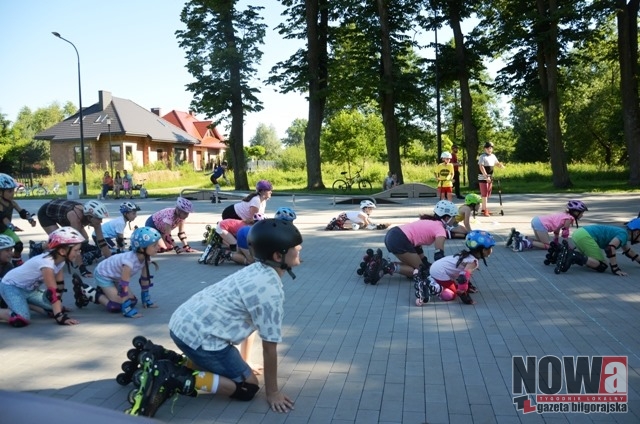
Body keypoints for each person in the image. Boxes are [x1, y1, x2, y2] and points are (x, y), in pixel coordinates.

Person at [126, 219, 302, 417]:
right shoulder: (270, 290)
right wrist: (273, 392)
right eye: (295, 246)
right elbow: (270, 348)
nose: (300, 247)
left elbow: (251, 322)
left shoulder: (256, 269)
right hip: (201, 339)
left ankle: (167, 359)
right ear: (278, 256)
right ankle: (176, 378)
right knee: (248, 387)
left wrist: (245, 362)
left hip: (182, 325)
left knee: (229, 370)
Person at [0, 227, 84, 327]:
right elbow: (53, 291)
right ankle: (19, 304)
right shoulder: (46, 263)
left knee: (55, 308)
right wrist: (60, 317)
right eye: (76, 250)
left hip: (29, 290)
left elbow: (59, 286)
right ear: (62, 251)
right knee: (21, 319)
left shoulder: (60, 261)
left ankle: (24, 302)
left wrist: (57, 309)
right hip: (11, 287)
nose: (79, 253)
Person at [360, 200, 457, 285]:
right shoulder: (440, 229)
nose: (455, 220)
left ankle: (379, 264)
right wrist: (445, 272)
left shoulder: (429, 221)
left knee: (417, 268)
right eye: (454, 217)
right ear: (446, 218)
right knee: (422, 272)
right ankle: (387, 266)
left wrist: (424, 261)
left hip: (393, 234)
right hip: (400, 239)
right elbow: (439, 255)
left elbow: (417, 245)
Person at [73, 226, 161, 318]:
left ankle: (104, 291)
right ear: (142, 248)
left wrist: (146, 299)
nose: (158, 247)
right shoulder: (129, 262)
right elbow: (124, 285)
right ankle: (86, 290)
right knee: (116, 306)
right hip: (103, 274)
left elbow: (145, 279)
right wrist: (127, 309)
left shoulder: (146, 258)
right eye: (154, 245)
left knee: (132, 301)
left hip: (115, 276)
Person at [419, 230, 496, 306]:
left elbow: (464, 276)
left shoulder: (467, 255)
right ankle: (431, 287)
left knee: (455, 287)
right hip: (439, 272)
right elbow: (462, 278)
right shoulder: (472, 262)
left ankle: (430, 279)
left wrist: (468, 287)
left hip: (437, 267)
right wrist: (466, 298)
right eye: (490, 248)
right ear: (483, 250)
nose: (491, 250)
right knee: (450, 295)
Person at [37, 199, 111, 277]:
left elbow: (101, 241)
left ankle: (79, 253)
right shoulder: (76, 219)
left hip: (63, 213)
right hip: (46, 213)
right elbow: (74, 245)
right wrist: (82, 269)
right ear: (89, 217)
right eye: (99, 219)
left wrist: (111, 261)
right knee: (60, 240)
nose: (101, 221)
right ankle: (38, 247)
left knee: (84, 239)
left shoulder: (92, 217)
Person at [556, 218, 640, 275]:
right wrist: (615, 269)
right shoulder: (623, 234)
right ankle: (573, 255)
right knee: (602, 266)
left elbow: (629, 251)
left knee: (591, 262)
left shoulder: (623, 234)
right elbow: (610, 248)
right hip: (585, 236)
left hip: (580, 233)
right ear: (636, 232)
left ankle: (563, 253)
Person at [507, 200, 588, 252]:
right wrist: (567, 246)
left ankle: (518, 236)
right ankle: (523, 243)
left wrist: (556, 241)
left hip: (537, 220)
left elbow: (557, 230)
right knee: (549, 246)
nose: (582, 215)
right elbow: (565, 234)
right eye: (582, 213)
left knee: (541, 242)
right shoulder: (569, 219)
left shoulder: (565, 215)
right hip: (541, 224)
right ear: (576, 213)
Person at [0, 173, 37, 266]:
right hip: (6, 227)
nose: (12, 194)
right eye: (9, 191)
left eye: (13, 191)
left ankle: (16, 260)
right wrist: (12, 227)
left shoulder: (12, 203)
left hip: (5, 230)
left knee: (18, 245)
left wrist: (30, 219)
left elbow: (22, 212)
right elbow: (3, 218)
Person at [477, 141, 505, 216]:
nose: (489, 150)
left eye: (491, 148)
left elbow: (496, 163)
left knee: (488, 194)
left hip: (490, 177)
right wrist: (486, 177)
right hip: (483, 177)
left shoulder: (493, 156)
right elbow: (481, 167)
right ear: (485, 149)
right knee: (484, 194)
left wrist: (500, 165)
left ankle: (483, 208)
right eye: (488, 148)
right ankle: (485, 210)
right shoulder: (482, 156)